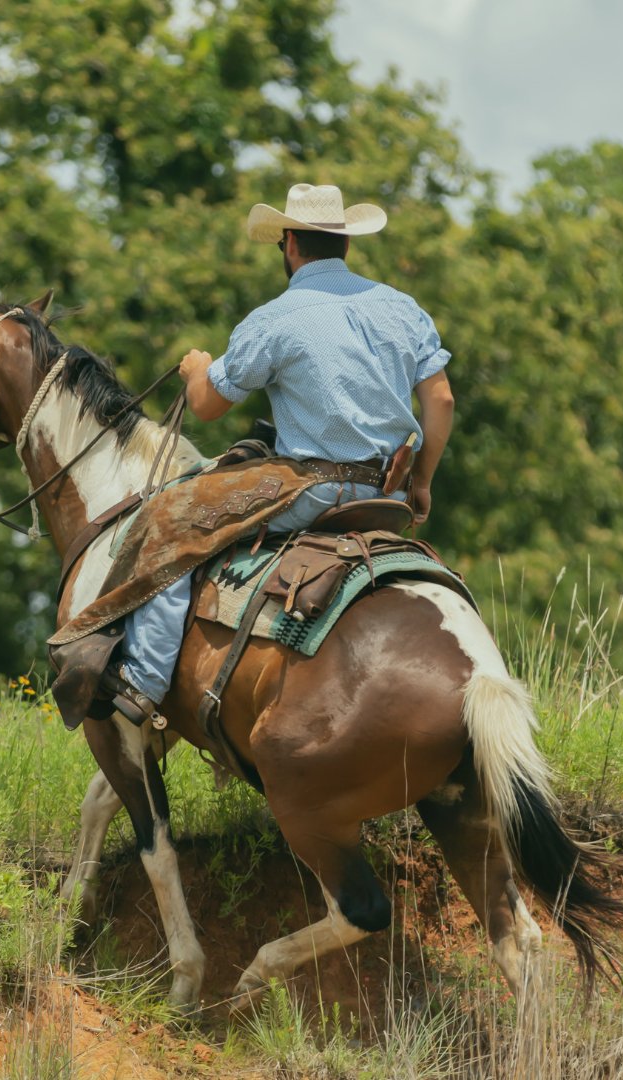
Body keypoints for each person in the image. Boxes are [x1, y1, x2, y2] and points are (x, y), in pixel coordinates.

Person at [113, 182, 455, 716]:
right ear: (345, 244)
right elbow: (442, 399)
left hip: (310, 492)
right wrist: (423, 481)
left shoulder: (276, 317)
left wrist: (196, 370)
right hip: (387, 493)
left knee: (168, 519)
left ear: (291, 244)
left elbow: (206, 406)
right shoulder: (401, 307)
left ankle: (144, 680)